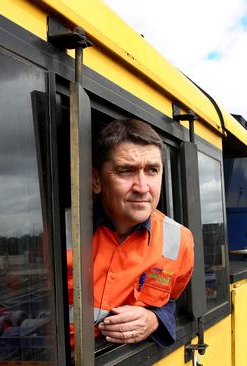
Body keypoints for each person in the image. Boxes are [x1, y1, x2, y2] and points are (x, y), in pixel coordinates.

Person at [69, 118, 194, 347]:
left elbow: (173, 300)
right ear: (96, 180)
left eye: (152, 170)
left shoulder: (181, 240)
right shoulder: (59, 232)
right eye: (126, 171)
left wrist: (154, 318)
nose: (142, 187)